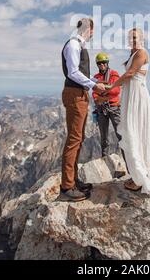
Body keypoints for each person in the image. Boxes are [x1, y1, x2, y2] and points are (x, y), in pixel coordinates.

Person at [103, 28, 150, 194]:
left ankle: (141, 177)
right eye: (130, 38)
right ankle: (139, 173)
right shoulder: (134, 53)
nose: (132, 40)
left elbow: (130, 73)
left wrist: (111, 86)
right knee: (135, 131)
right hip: (132, 95)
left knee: (136, 130)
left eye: (135, 37)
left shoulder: (142, 53)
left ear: (142, 39)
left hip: (137, 96)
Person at [60, 17, 107, 202]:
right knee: (74, 138)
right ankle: (66, 187)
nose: (93, 34)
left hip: (80, 93)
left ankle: (73, 180)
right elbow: (73, 72)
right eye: (93, 31)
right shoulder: (73, 45)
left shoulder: (78, 45)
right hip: (74, 94)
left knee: (78, 138)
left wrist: (95, 82)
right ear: (90, 29)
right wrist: (94, 86)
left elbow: (80, 73)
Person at [92, 52, 123, 158]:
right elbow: (94, 93)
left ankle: (129, 163)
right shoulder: (96, 77)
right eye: (99, 63)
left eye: (104, 63)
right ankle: (105, 160)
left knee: (121, 135)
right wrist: (103, 94)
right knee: (103, 138)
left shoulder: (114, 74)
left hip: (113, 108)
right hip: (102, 109)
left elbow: (116, 91)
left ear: (107, 63)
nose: (102, 65)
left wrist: (101, 97)